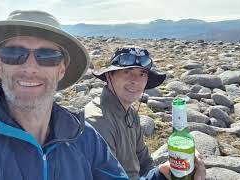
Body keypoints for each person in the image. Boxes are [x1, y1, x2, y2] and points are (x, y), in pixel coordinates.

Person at [0, 10, 129, 180]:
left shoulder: (84, 138)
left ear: (61, 70)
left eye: (47, 56)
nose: (30, 68)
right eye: (14, 53)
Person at [84, 47, 206, 180]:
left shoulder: (130, 113)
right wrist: (160, 175)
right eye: (127, 72)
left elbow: (144, 161)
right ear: (109, 76)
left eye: (142, 73)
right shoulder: (97, 121)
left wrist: (173, 169)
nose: (135, 80)